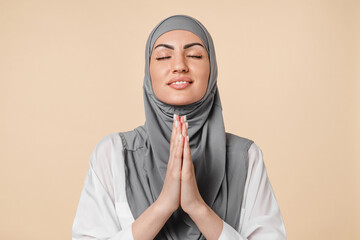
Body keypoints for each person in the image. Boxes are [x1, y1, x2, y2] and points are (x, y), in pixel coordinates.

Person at [72, 15, 286, 240]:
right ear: (148, 71)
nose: (179, 66)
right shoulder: (114, 154)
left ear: (212, 69)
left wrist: (197, 207)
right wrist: (163, 204)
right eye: (164, 56)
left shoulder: (246, 158)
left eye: (194, 55)